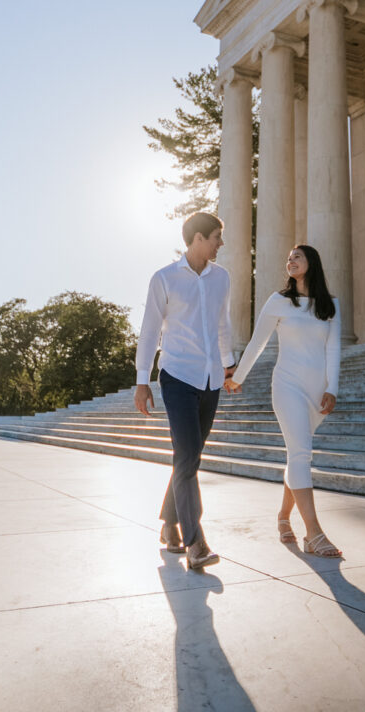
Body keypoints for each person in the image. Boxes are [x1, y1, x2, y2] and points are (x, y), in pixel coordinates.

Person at [225, 244, 344, 559]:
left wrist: (333, 388)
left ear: (311, 263)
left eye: (297, 256)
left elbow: (333, 349)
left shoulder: (330, 305)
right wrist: (238, 376)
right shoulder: (278, 301)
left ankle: (282, 518)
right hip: (287, 385)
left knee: (297, 455)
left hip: (317, 391)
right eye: (288, 256)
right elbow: (258, 342)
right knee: (302, 455)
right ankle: (314, 534)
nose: (290, 260)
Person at [134, 211, 235, 571]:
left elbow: (223, 324)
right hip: (176, 376)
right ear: (196, 239)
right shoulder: (164, 279)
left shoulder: (221, 278)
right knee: (188, 455)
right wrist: (142, 379)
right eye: (216, 238)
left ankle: (168, 524)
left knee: (188, 458)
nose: (221, 244)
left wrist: (229, 364)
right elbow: (149, 331)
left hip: (210, 379)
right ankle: (195, 542)